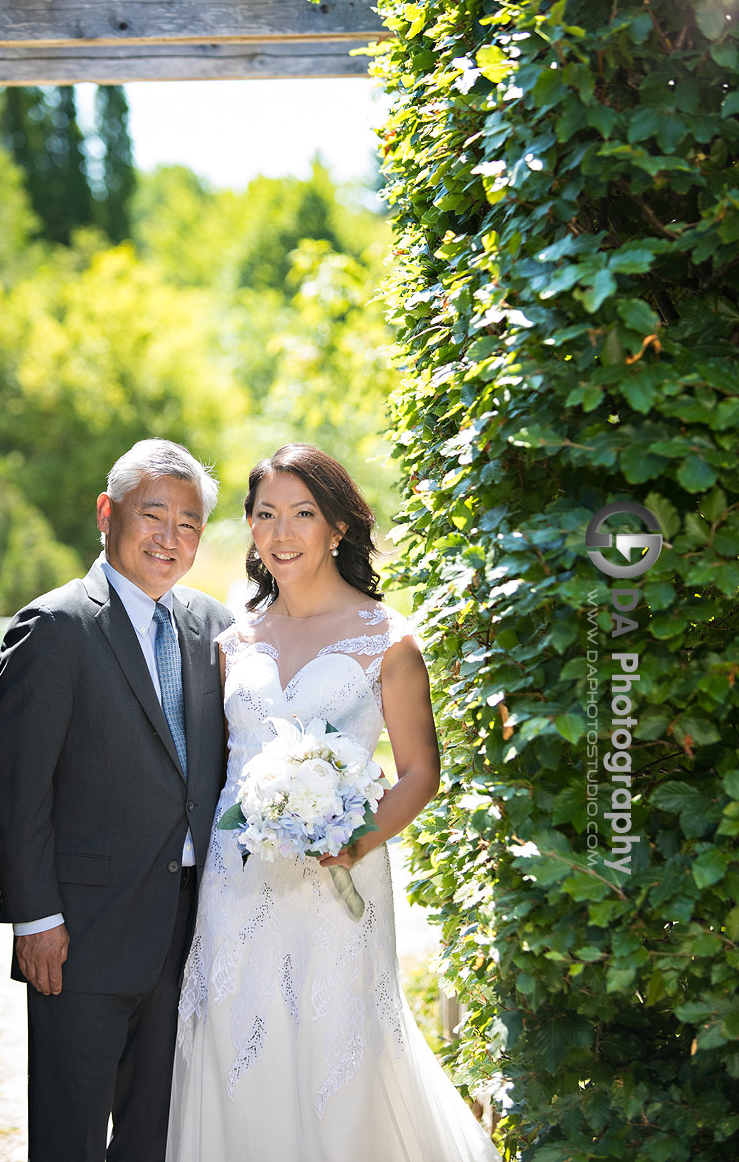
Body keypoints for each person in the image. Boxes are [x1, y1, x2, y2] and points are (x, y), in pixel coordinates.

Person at [167, 443, 501, 1162]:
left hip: (341, 875)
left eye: (302, 514)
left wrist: (352, 842)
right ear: (251, 529)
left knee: (337, 1041)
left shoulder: (388, 639)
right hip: (238, 878)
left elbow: (418, 771)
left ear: (337, 528)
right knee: (234, 1035)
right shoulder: (232, 641)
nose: (281, 534)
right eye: (265, 515)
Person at [0, 438, 234, 1162]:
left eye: (187, 524)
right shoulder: (56, 627)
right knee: (71, 1134)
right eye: (152, 514)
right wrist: (35, 917)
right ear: (107, 512)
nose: (169, 537)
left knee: (158, 1132)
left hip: (189, 930)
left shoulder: (213, 628)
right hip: (80, 934)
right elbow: (16, 784)